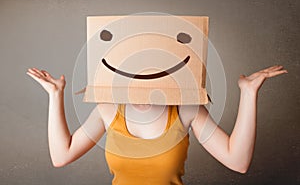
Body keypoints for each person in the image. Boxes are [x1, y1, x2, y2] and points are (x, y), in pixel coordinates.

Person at [26, 65, 287, 184]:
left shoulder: (187, 109)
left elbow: (238, 161)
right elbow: (62, 156)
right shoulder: (107, 109)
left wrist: (249, 93)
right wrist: (55, 95)